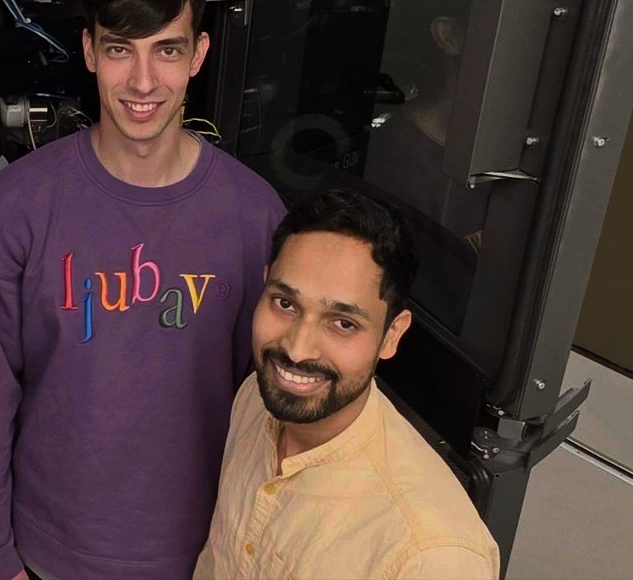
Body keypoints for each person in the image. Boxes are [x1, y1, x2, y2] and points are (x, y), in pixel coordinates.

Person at [0, 0, 284, 580]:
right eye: (119, 50)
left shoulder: (255, 216)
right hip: (44, 555)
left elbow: (272, 416)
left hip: (202, 558)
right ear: (88, 51)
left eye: (167, 50)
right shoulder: (19, 204)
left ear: (199, 55)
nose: (142, 81)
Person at [193, 189, 500, 580]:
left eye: (343, 323)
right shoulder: (255, 396)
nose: (297, 350)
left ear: (392, 335)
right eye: (285, 303)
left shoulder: (429, 556)